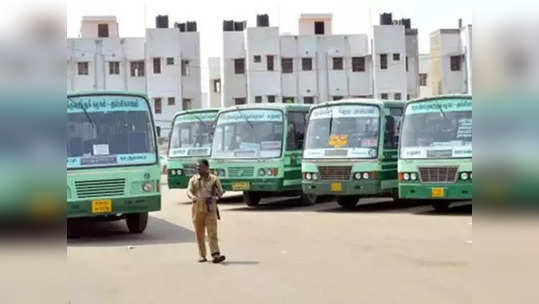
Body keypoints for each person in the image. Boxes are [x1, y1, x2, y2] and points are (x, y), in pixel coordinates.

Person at [187, 159, 226, 263]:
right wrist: (192, 197)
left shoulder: (214, 179)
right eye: (197, 167)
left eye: (200, 166)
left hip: (210, 207)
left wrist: (216, 196)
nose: (198, 168)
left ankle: (215, 254)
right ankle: (202, 255)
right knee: (199, 233)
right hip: (197, 207)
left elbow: (221, 192)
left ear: (206, 167)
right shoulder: (193, 179)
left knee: (212, 231)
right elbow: (189, 191)